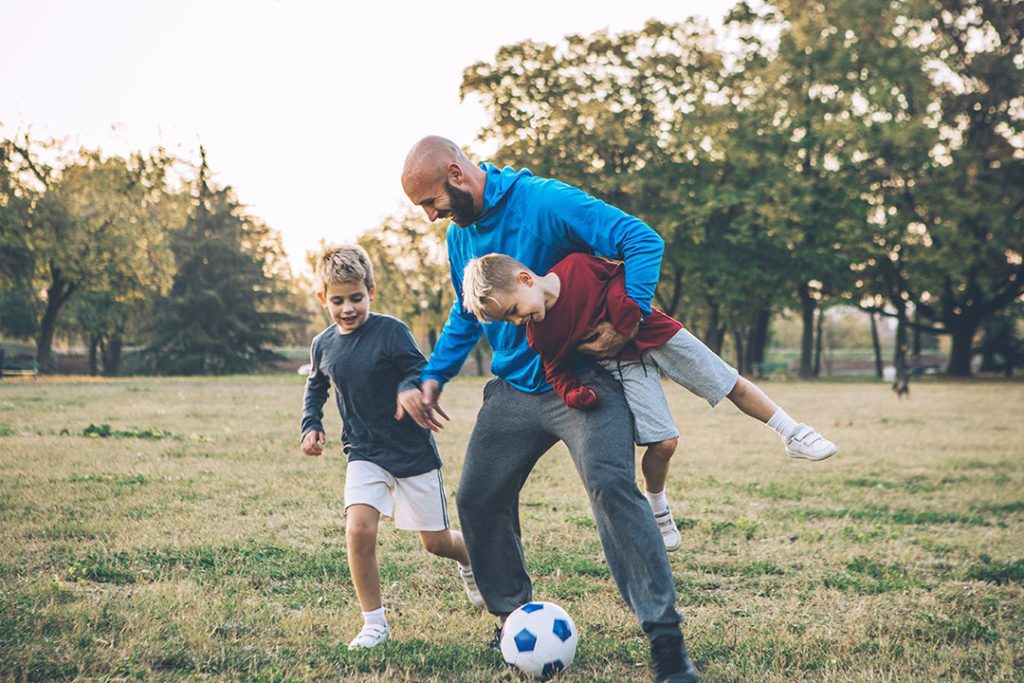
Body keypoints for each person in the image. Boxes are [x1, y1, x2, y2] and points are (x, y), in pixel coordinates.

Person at [398, 136, 699, 682]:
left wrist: (626, 318)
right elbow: (468, 316)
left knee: (610, 485)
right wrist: (434, 376)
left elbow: (640, 237)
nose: (429, 215)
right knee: (478, 495)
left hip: (582, 376)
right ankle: (514, 619)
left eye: (430, 201)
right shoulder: (459, 239)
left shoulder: (544, 201)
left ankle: (666, 638)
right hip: (514, 389)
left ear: (455, 172)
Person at [461, 252, 838, 549]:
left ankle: (792, 433)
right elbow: (556, 370)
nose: (516, 321)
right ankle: (658, 505)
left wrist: (623, 312)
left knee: (728, 381)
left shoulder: (577, 266)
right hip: (623, 363)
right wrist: (576, 393)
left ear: (525, 279)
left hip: (652, 329)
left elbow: (622, 273)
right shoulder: (540, 334)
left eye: (512, 310)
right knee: (664, 443)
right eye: (508, 320)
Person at [299, 244, 484, 651]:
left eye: (356, 298)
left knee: (435, 543)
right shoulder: (323, 344)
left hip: (412, 453)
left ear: (371, 291)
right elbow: (315, 387)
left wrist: (407, 390)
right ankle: (374, 623)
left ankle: (471, 561)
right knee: (358, 530)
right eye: (337, 300)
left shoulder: (391, 331)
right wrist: (311, 424)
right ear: (322, 298)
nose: (347, 308)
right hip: (363, 452)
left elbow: (416, 370)